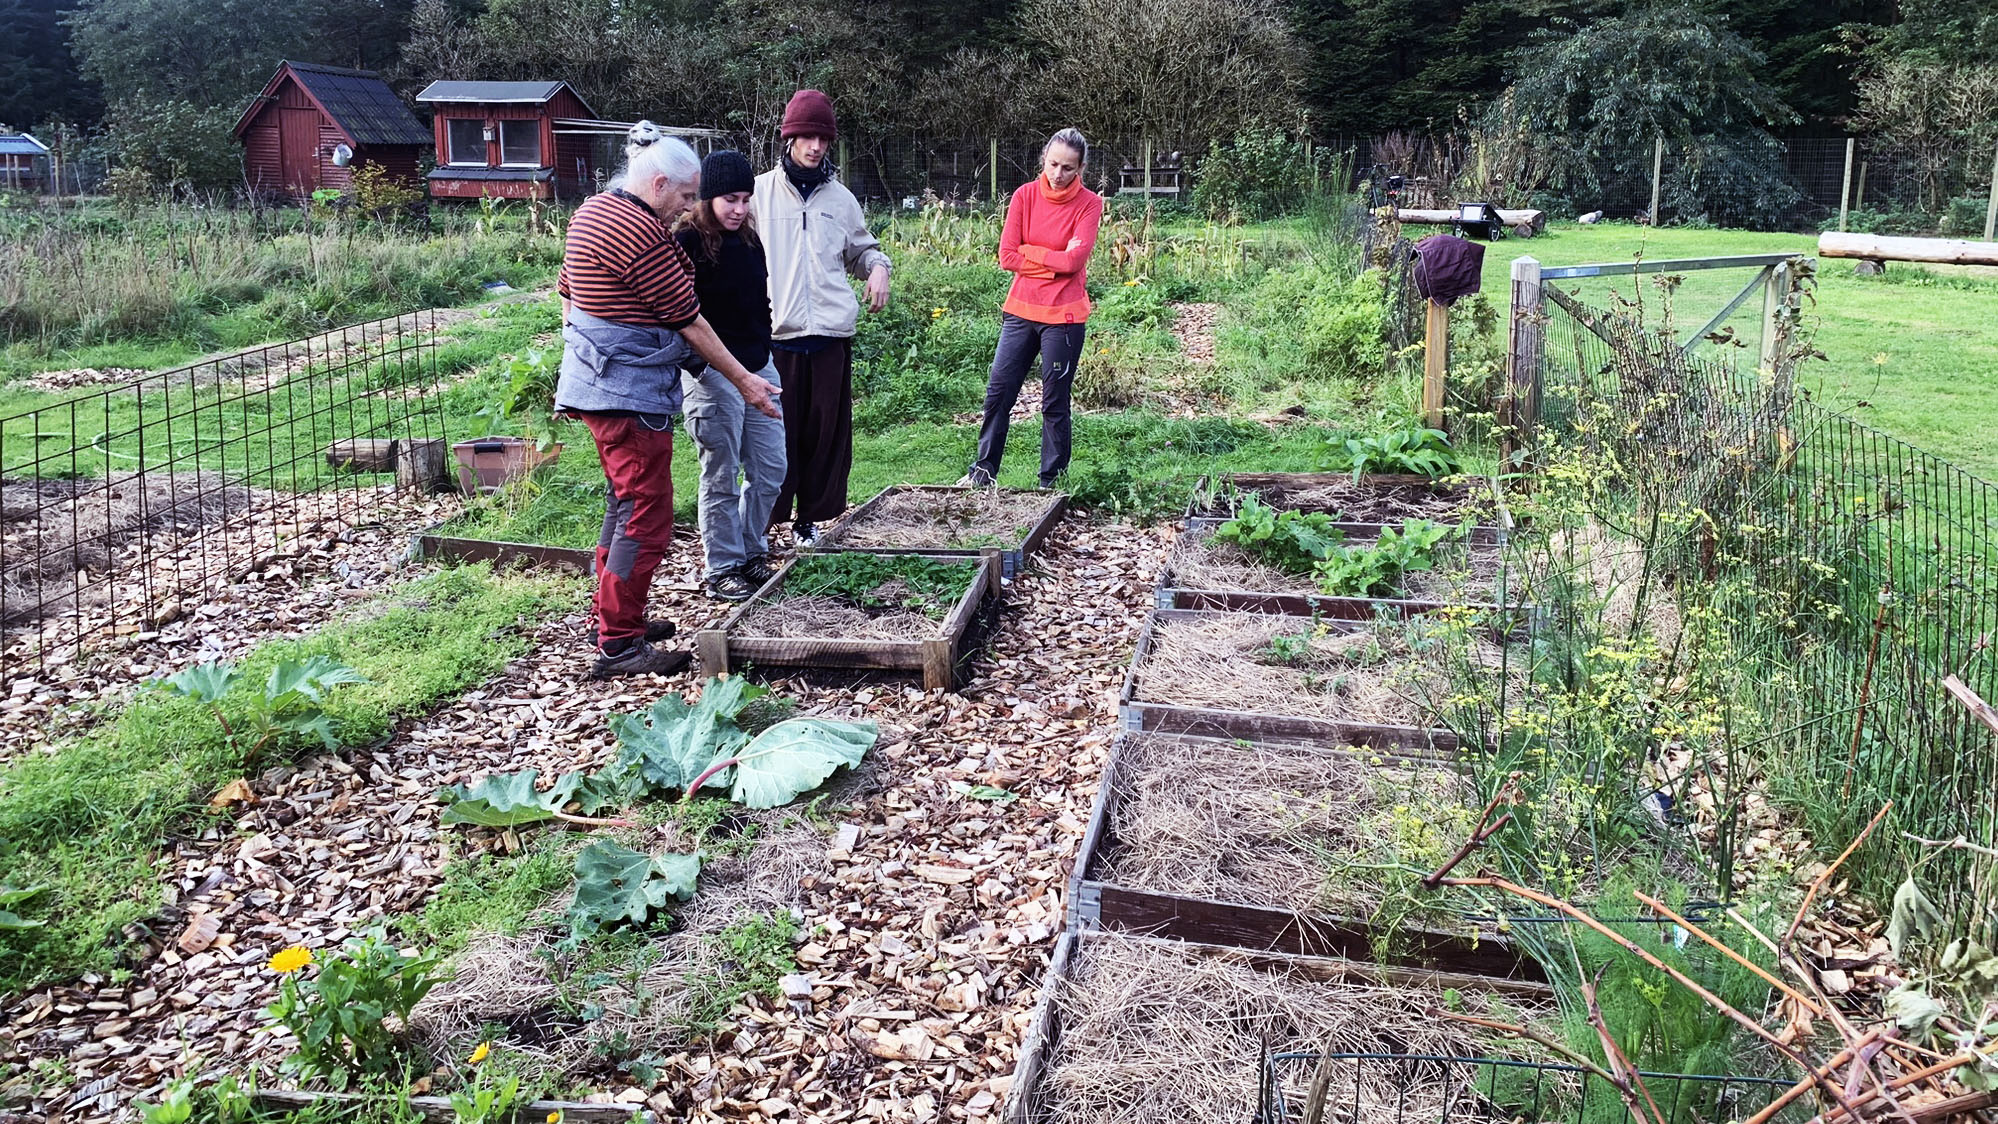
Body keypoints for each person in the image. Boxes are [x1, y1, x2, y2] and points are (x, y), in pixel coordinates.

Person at [555, 122, 782, 678]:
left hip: (599, 386)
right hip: (627, 397)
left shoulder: (591, 213)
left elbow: (566, 295)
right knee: (645, 516)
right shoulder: (641, 233)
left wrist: (587, 353)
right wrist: (747, 382)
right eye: (684, 196)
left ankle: (610, 618)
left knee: (622, 506)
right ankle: (621, 644)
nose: (686, 207)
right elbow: (689, 321)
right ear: (658, 185)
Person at [752, 89, 892, 545]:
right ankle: (765, 522)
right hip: (776, 335)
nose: (815, 147)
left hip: (830, 336)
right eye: (806, 136)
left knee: (824, 436)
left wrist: (878, 270)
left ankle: (808, 522)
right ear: (788, 139)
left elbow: (862, 249)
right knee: (776, 438)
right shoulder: (758, 195)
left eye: (822, 138)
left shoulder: (841, 199)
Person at [674, 149, 786, 602]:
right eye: (729, 200)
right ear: (707, 199)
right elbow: (678, 318)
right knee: (720, 472)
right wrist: (702, 367)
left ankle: (750, 550)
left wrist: (765, 348)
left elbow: (758, 304)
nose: (739, 209)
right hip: (713, 374)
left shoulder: (749, 242)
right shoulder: (687, 243)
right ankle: (722, 566)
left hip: (759, 366)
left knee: (771, 468)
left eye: (745, 199)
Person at [965, 128, 1103, 490]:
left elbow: (1075, 261)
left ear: (1081, 169)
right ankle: (982, 473)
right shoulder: (1024, 196)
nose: (1058, 174)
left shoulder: (1089, 204)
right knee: (999, 393)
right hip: (1021, 312)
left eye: (1068, 168)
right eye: (1054, 164)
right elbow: (1007, 255)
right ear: (1043, 158)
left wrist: (1033, 252)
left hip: (1064, 318)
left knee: (1054, 401)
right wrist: (1052, 260)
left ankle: (1050, 483)